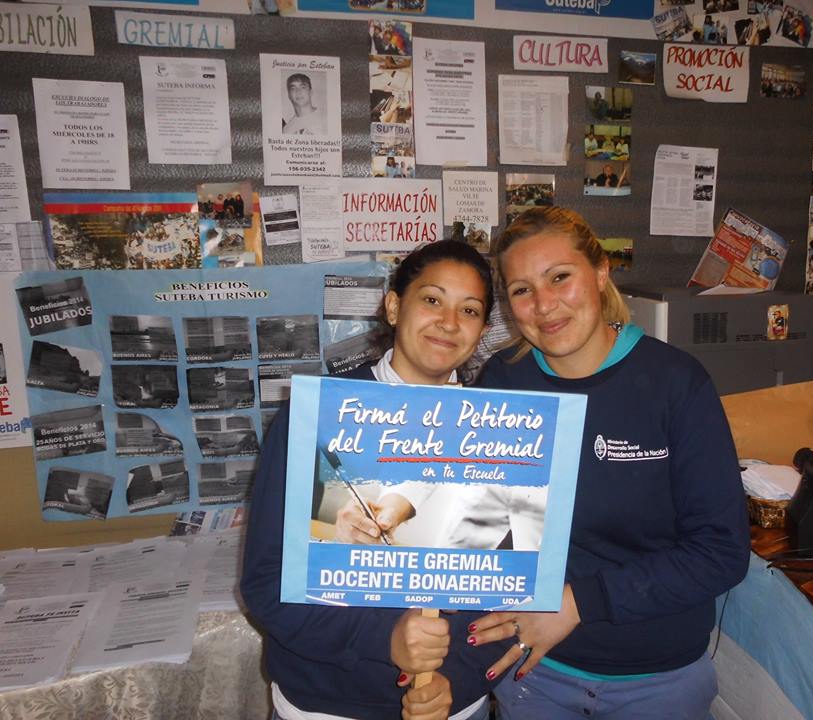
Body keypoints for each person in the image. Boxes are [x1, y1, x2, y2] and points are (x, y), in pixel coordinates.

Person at [465, 207, 750, 719]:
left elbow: (722, 552)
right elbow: (479, 520)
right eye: (522, 290)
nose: (544, 305)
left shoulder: (675, 384)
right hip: (534, 670)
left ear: (600, 272)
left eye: (560, 277)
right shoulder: (503, 382)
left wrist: (578, 602)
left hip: (657, 677)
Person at [242, 240, 510, 720]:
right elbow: (267, 582)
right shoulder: (319, 418)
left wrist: (456, 678)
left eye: (469, 310)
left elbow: (515, 587)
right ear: (393, 306)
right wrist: (383, 637)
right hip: (325, 704)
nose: (449, 322)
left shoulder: (505, 431)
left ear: (484, 331)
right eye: (432, 299)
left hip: (451, 704)